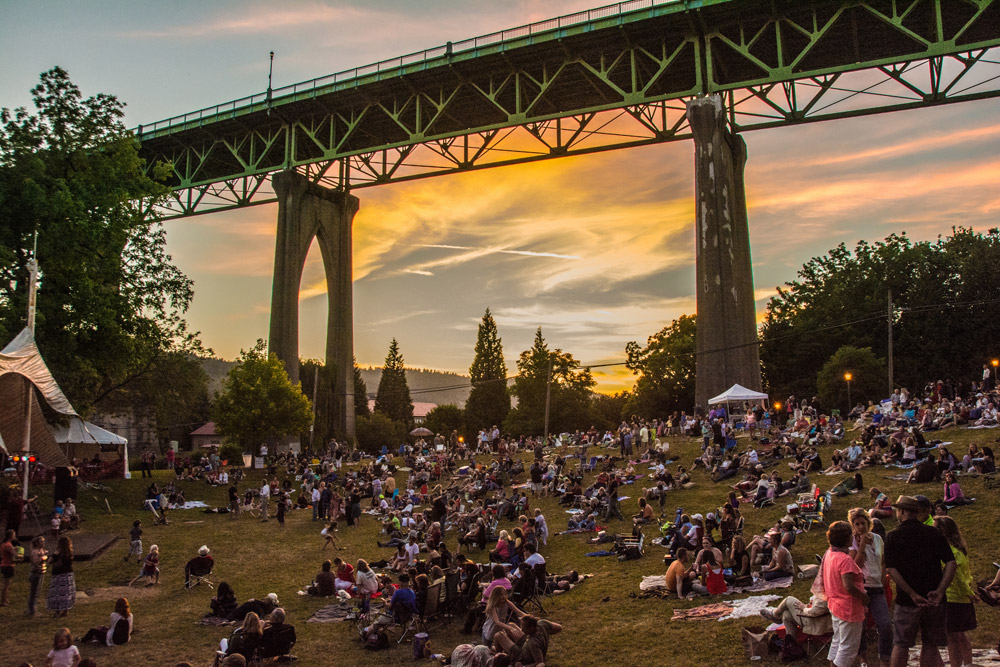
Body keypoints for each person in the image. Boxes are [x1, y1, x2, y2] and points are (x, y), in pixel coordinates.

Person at [885, 495, 956, 667]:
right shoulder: (933, 532)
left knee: (901, 644)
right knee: (930, 644)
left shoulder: (893, 536)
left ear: (901, 511)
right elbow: (951, 563)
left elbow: (891, 569)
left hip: (907, 600)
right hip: (934, 599)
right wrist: (940, 591)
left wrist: (911, 593)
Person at [821, 521, 869, 667]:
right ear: (847, 538)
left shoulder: (830, 553)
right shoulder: (845, 560)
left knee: (838, 640)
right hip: (848, 608)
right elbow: (849, 586)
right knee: (848, 647)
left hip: (835, 605)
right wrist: (864, 597)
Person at [848, 508, 892, 667]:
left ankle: (884, 659)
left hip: (878, 585)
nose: (860, 526)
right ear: (853, 526)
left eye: (862, 523)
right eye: (857, 524)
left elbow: (883, 560)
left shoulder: (878, 538)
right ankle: (863, 658)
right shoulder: (852, 541)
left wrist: (883, 576)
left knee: (885, 624)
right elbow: (854, 565)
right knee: (861, 626)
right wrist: (861, 547)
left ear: (868, 523)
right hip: (862, 587)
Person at [933, 516, 976, 667]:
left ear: (943, 531)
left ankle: (956, 664)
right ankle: (968, 662)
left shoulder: (949, 551)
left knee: (952, 636)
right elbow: (967, 574)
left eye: (935, 527)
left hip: (952, 597)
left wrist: (969, 592)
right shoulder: (960, 549)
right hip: (961, 597)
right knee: (960, 634)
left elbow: (956, 576)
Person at [493, 614, 562, 667]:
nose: (521, 629)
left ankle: (499, 660)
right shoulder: (542, 623)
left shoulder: (533, 643)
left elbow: (540, 662)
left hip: (520, 656)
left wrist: (523, 666)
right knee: (511, 625)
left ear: (531, 627)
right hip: (525, 644)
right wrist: (545, 633)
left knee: (498, 635)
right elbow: (559, 628)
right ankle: (505, 653)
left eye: (524, 628)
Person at [47, 535, 75, 617]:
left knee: (57, 593)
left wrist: (53, 555)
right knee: (67, 594)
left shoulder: (57, 553)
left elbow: (49, 561)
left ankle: (57, 611)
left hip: (58, 575)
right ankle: (65, 611)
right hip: (68, 574)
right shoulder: (69, 553)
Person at [28, 535, 48, 616]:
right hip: (36, 573)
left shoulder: (41, 550)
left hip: (41, 572)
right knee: (34, 592)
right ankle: (33, 610)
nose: (43, 543)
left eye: (44, 541)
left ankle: (32, 609)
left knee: (37, 592)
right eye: (41, 541)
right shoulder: (35, 552)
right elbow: (36, 562)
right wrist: (42, 557)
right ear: (37, 543)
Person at [1, 529, 16, 606]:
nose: (15, 536)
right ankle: (3, 601)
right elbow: (14, 555)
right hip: (8, 565)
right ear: (11, 536)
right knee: (6, 584)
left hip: (4, 564)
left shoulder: (3, 544)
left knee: (6, 584)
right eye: (14, 534)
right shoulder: (8, 545)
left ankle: (6, 599)